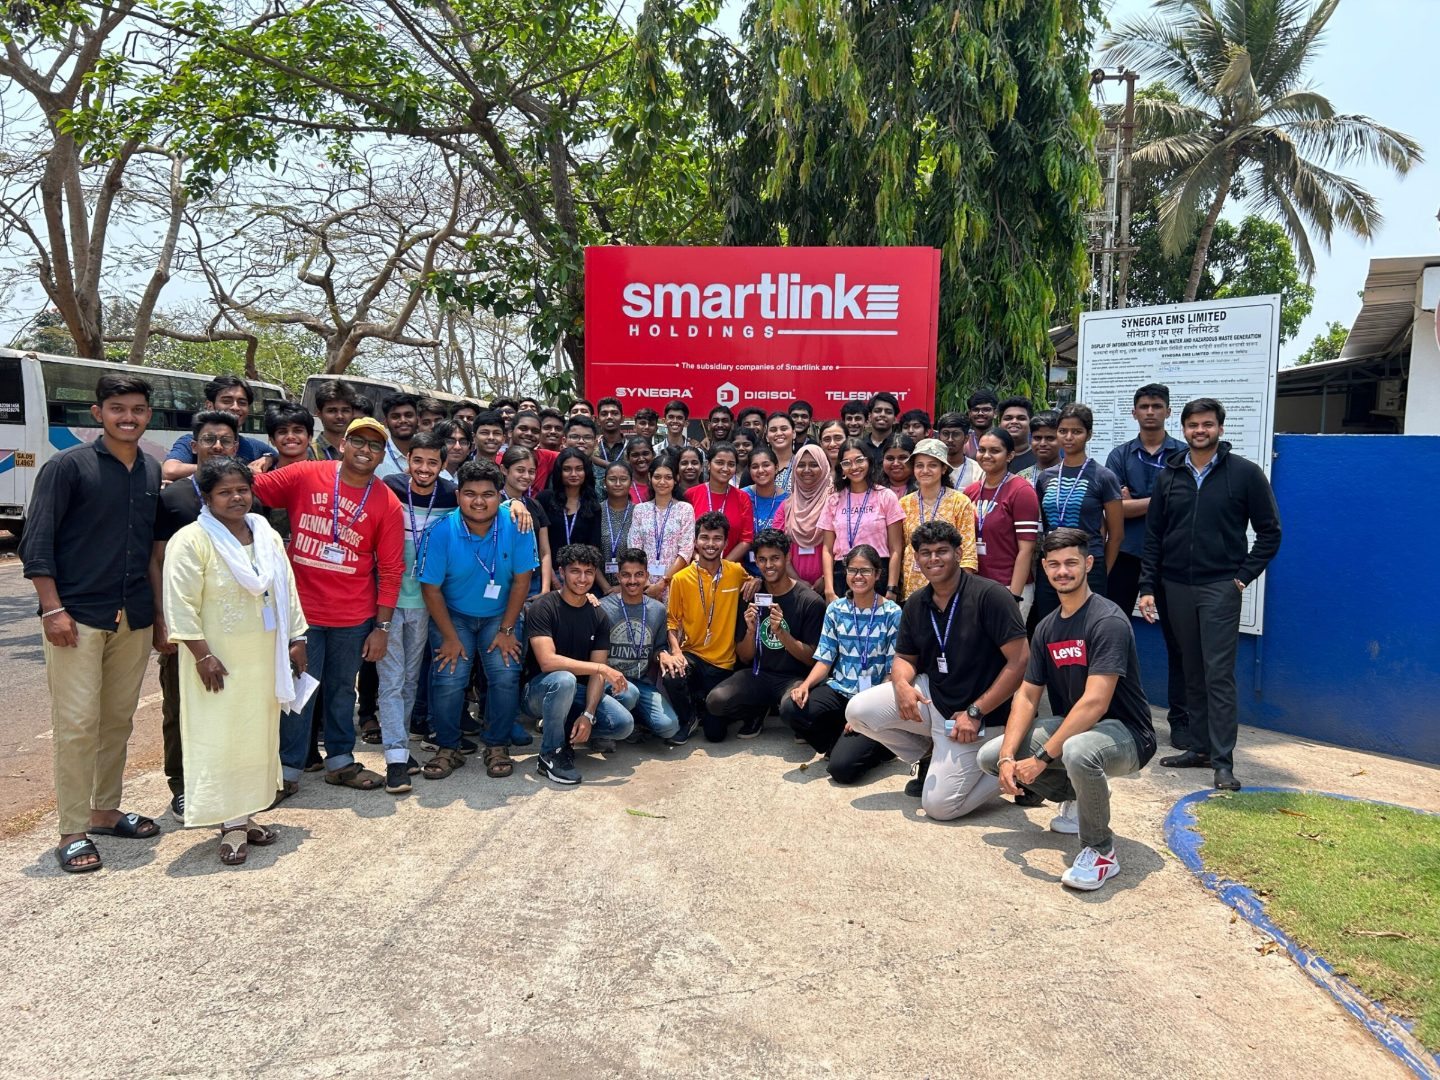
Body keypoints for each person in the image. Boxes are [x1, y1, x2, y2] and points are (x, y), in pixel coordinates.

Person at [21, 373, 164, 873]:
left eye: (138, 409)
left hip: (132, 616)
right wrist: (52, 609)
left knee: (117, 720)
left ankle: (104, 810)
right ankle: (72, 829)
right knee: (78, 724)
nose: (128, 417)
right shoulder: (67, 467)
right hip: (77, 616)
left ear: (148, 415)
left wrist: (159, 618)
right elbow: (37, 541)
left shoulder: (149, 469)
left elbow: (149, 549)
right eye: (118, 408)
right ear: (98, 413)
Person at [978, 528, 1157, 891]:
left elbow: (1095, 702)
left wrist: (1042, 758)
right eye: (1055, 564)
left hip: (1126, 733)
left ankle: (1101, 851)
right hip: (1078, 729)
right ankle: (1081, 798)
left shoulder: (1107, 620)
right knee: (990, 756)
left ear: (1088, 564)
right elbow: (1027, 696)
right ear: (1044, 568)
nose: (1063, 571)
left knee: (1077, 751)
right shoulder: (1046, 628)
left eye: (1071, 563)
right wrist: (1009, 757)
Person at [162, 458, 307, 864]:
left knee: (257, 737)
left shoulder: (266, 535)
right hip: (218, 660)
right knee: (221, 737)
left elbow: (287, 587)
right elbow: (180, 604)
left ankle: (246, 814)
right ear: (206, 498)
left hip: (264, 656)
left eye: (242, 489)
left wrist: (297, 637)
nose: (236, 498)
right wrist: (202, 655)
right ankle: (231, 824)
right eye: (224, 492)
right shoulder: (191, 541)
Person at [250, 416, 404, 796]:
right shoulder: (307, 474)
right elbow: (252, 488)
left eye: (375, 445)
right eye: (358, 441)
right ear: (342, 444)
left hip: (352, 616)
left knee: (341, 691)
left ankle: (340, 762)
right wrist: (255, 463)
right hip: (300, 613)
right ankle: (287, 771)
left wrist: (382, 629)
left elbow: (391, 569)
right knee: (296, 690)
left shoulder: (387, 502)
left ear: (382, 455)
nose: (365, 450)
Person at [1139, 398, 1282, 792]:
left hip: (1220, 587)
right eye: (1193, 425)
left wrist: (1242, 577)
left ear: (1220, 427)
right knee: (1191, 670)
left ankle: (1223, 762)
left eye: (1207, 424)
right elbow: (1154, 536)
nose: (1199, 431)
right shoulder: (1170, 475)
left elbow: (1270, 532)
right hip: (1175, 587)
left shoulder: (1245, 474)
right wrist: (1148, 586)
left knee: (1218, 675)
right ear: (1183, 429)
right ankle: (1199, 748)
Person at [845, 520, 1028, 822]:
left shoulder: (991, 596)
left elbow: (1020, 662)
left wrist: (976, 711)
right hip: (936, 701)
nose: (933, 559)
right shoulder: (917, 602)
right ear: (916, 559)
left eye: (942, 551)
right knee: (858, 711)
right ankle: (929, 754)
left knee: (939, 808)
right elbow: (904, 657)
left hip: (981, 714)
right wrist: (902, 685)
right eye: (925, 553)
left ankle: (1019, 766)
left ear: (958, 553)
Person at [153, 409, 248, 819]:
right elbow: (156, 560)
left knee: (230, 705)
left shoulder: (246, 498)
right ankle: (181, 784)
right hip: (186, 625)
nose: (217, 446)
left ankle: (229, 784)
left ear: (236, 447)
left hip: (234, 626)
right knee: (179, 706)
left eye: (225, 440)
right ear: (194, 446)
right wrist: (163, 619)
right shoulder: (174, 498)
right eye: (209, 439)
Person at [418, 460, 536, 782]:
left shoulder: (517, 526)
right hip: (453, 615)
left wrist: (507, 629)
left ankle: (497, 745)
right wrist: (450, 637)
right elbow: (430, 589)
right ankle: (448, 746)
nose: (479, 501)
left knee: (506, 675)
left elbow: (522, 581)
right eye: (470, 494)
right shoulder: (440, 531)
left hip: (500, 614)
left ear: (500, 496)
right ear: (458, 496)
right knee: (449, 677)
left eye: (488, 494)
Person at [1104, 383, 1189, 746]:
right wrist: (1160, 499)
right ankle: (1111, 713)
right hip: (1126, 555)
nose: (1150, 411)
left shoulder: (1184, 454)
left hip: (1173, 560)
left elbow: (1188, 505)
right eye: (1144, 406)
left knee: (1180, 642)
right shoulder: (1120, 455)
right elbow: (1116, 510)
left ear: (1168, 411)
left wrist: (1136, 501)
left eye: (1157, 406)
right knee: (1112, 637)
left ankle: (1182, 721)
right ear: (1134, 412)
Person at [781, 544, 902, 781]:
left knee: (841, 771)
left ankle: (882, 747)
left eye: (865, 571)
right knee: (791, 708)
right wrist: (805, 685)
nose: (858, 576)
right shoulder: (835, 610)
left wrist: (864, 714)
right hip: (841, 691)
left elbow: (892, 672)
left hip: (873, 699)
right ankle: (837, 743)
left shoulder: (892, 612)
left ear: (878, 574)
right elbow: (825, 659)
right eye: (852, 570)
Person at [376, 432, 455, 792]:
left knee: (409, 679)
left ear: (443, 464)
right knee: (391, 679)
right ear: (407, 460)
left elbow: (488, 504)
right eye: (418, 460)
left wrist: (515, 505)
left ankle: (401, 744)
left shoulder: (451, 495)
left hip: (426, 601)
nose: (424, 468)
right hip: (388, 599)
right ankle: (395, 758)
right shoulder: (389, 488)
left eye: (432, 462)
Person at [523, 544, 635, 784]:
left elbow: (597, 675)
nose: (582, 579)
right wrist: (601, 668)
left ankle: (566, 729)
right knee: (565, 679)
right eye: (575, 571)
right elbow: (547, 661)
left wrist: (588, 715)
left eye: (589, 572)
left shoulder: (598, 615)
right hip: (538, 692)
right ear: (561, 572)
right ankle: (550, 754)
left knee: (623, 724)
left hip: (576, 691)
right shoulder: (543, 607)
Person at [701, 528, 824, 741]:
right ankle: (756, 710)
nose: (768, 565)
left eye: (775, 558)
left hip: (794, 678)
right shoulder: (751, 595)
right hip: (759, 674)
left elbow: (812, 660)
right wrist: (750, 632)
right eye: (762, 560)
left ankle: (793, 718)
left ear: (787, 557)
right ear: (756, 561)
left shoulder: (810, 601)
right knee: (716, 701)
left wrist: (782, 633)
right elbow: (745, 656)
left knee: (793, 709)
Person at [662, 512, 750, 744]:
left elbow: (752, 583)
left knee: (715, 735)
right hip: (693, 654)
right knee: (672, 674)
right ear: (695, 541)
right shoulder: (680, 578)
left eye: (717, 538)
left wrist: (756, 581)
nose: (710, 544)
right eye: (704, 537)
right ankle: (688, 718)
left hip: (724, 663)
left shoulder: (736, 572)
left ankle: (707, 706)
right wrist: (676, 652)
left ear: (725, 542)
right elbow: (672, 621)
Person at [1032, 404, 1123, 622]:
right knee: (1050, 624)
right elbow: (1046, 524)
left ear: (1088, 435)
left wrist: (1100, 570)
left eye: (1077, 431)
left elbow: (1116, 535)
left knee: (1086, 627)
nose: (1069, 437)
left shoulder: (1103, 477)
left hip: (1088, 565)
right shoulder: (1045, 477)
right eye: (1063, 431)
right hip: (1052, 564)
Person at [602, 548, 682, 744]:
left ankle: (633, 722)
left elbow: (659, 647)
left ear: (647, 576)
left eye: (638, 575)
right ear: (618, 577)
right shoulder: (603, 607)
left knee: (669, 726)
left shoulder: (657, 610)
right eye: (626, 575)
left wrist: (663, 654)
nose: (632, 581)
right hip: (609, 681)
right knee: (629, 694)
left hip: (641, 681)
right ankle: (604, 727)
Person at [966, 429, 1041, 621]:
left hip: (1009, 587)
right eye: (982, 450)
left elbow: (1026, 549)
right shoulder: (970, 492)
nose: (986, 455)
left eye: (995, 451)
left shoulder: (1021, 491)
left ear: (1010, 456)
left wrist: (1013, 596)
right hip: (976, 587)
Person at [820, 439, 905, 602]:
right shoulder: (833, 500)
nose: (854, 467)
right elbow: (827, 549)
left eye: (859, 460)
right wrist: (829, 589)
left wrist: (892, 587)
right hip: (843, 573)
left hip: (877, 573)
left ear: (869, 461)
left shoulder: (886, 496)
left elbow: (895, 547)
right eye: (847, 463)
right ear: (841, 468)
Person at [898, 437, 977, 599]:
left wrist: (962, 593)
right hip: (912, 588)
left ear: (943, 468)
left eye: (932, 465)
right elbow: (901, 549)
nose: (925, 470)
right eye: (919, 465)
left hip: (950, 588)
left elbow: (968, 553)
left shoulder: (960, 502)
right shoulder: (904, 504)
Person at [162, 375, 269, 480]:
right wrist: (237, 470)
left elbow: (277, 458)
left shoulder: (254, 447)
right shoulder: (190, 441)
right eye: (226, 401)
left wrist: (269, 458)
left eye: (242, 403)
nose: (235, 407)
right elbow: (170, 471)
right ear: (209, 405)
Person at [631, 456, 694, 602]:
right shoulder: (640, 510)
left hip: (674, 583)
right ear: (649, 477)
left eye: (668, 477)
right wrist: (647, 585)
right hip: (643, 585)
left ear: (676, 479)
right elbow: (635, 548)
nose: (662, 482)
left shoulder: (685, 509)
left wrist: (662, 584)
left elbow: (685, 551)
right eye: (657, 477)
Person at [683, 441, 753, 564]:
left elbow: (746, 539)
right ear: (708, 465)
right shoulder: (691, 495)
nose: (725, 468)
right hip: (697, 567)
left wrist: (721, 566)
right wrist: (700, 560)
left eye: (731, 464)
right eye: (720, 463)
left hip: (731, 568)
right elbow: (683, 537)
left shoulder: (743, 498)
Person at [773, 443, 830, 589]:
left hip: (830, 584)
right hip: (792, 585)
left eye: (814, 465)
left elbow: (841, 545)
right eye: (801, 465)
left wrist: (826, 578)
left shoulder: (834, 501)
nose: (806, 470)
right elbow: (778, 547)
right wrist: (796, 580)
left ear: (824, 467)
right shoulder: (786, 506)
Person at [500, 446, 553, 596]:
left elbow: (544, 551)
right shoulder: (493, 502)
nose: (526, 476)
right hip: (501, 579)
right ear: (504, 470)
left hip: (533, 582)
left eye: (531, 471)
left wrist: (545, 589)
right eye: (520, 470)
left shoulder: (535, 505)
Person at [537, 446, 604, 564]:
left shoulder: (593, 506)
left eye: (579, 469)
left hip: (580, 570)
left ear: (586, 472)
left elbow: (594, 548)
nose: (573, 474)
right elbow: (537, 542)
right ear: (559, 472)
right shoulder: (545, 499)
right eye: (567, 469)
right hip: (548, 569)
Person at [742, 445, 787, 574]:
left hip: (778, 573)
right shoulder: (741, 496)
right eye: (755, 467)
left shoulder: (788, 500)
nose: (760, 470)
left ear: (776, 467)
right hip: (744, 572)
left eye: (766, 465)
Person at [599, 461, 635, 591]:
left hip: (633, 585)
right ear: (604, 482)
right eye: (612, 479)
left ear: (631, 482)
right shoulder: (596, 511)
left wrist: (622, 587)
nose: (618, 484)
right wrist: (606, 588)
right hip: (598, 586)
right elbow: (590, 552)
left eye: (623, 479)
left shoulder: (639, 512)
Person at [309, 380, 358, 460]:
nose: (340, 416)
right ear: (319, 414)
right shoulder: (309, 452)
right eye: (332, 411)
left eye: (345, 410)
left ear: (353, 413)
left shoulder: (358, 450)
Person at [376, 392, 420, 478]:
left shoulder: (430, 450)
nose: (403, 420)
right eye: (395, 417)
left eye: (408, 415)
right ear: (386, 422)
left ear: (417, 419)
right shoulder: (377, 454)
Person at [937, 411, 983, 489]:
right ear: (939, 437)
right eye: (945, 433)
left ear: (966, 438)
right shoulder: (931, 467)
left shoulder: (978, 471)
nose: (950, 439)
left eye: (956, 434)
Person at [264, 401, 314, 472]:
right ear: (272, 440)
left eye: (298, 431)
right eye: (282, 432)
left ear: (310, 437)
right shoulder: (262, 476)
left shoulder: (325, 473)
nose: (290, 437)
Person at [997, 396, 1038, 478]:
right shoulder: (991, 457)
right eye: (1008, 418)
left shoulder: (1040, 458)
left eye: (1021, 418)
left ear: (1031, 424)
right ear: (999, 424)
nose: (1014, 422)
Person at [565, 414, 607, 491]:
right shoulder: (555, 471)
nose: (581, 441)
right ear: (564, 441)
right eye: (575, 437)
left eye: (587, 437)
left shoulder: (606, 475)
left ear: (595, 443)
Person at [862, 392, 899, 465]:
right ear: (869, 417)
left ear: (895, 419)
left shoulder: (901, 445)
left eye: (888, 412)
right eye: (877, 411)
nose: (882, 414)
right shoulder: (860, 445)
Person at [765, 411, 797, 493]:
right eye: (773, 430)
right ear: (767, 437)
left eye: (784, 429)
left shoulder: (801, 464)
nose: (779, 433)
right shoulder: (757, 466)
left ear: (794, 433)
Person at [880, 433, 916, 498]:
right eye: (890, 458)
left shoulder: (925, 489)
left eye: (902, 458)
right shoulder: (872, 490)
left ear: (913, 459)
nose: (896, 463)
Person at [595, 396, 629, 465]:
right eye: (604, 414)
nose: (609, 417)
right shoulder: (592, 446)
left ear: (622, 419)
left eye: (615, 413)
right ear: (598, 420)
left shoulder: (631, 446)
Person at [964, 390, 999, 457]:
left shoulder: (1003, 439)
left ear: (995, 413)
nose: (980, 413)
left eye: (986, 409)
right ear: (969, 414)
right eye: (975, 410)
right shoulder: (963, 441)